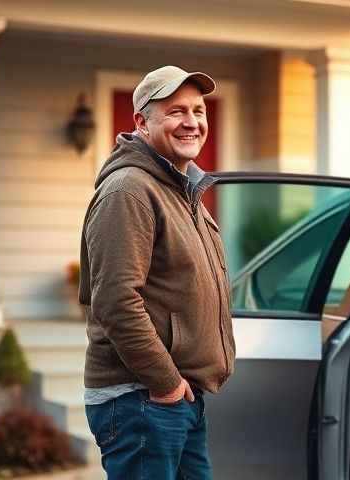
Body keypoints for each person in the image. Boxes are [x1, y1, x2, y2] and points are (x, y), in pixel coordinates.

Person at [78, 65, 234, 480]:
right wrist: (165, 382)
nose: (192, 122)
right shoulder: (130, 190)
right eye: (176, 111)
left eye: (199, 111)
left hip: (175, 398)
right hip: (143, 399)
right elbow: (115, 301)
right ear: (142, 122)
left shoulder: (181, 190)